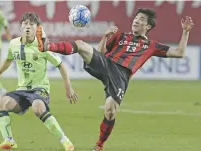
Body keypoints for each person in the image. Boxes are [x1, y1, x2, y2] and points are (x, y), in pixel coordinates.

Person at [39, 8, 194, 151]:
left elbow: (179, 52)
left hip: (121, 76)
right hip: (107, 64)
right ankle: (48, 46)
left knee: (110, 111)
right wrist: (105, 36)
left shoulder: (151, 45)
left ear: (148, 26)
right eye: (136, 18)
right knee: (81, 45)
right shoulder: (120, 36)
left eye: (141, 19)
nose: (136, 20)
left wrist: (185, 32)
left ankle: (99, 145)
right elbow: (99, 53)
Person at [0, 12, 78, 151]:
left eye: (31, 24)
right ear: (20, 27)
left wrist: (68, 88)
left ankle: (65, 141)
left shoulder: (43, 47)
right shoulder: (14, 44)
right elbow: (8, 60)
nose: (28, 27)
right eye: (25, 24)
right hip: (21, 90)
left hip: (40, 89)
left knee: (38, 108)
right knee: (1, 104)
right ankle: (9, 141)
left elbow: (61, 65)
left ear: (37, 28)